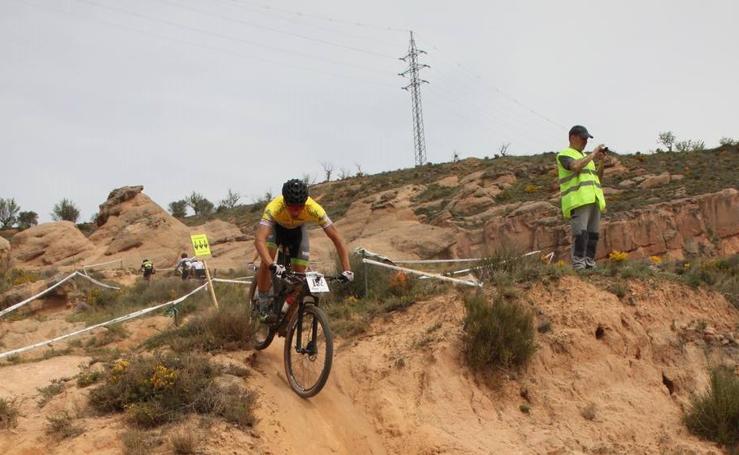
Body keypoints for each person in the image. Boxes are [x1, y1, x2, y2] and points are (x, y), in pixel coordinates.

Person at [254, 178, 354, 320]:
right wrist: (271, 265)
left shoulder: (314, 208)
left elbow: (337, 238)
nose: (295, 211)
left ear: (305, 202)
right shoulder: (274, 207)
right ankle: (263, 302)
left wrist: (347, 269)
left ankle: (285, 310)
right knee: (266, 260)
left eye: (299, 207)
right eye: (292, 207)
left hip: (297, 232)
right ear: (285, 202)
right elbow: (259, 240)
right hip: (276, 229)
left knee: (300, 278)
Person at [556, 125, 607, 270]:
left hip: (594, 199)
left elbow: (598, 179)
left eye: (586, 139)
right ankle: (579, 265)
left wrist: (601, 161)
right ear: (572, 137)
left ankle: (590, 264)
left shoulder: (587, 158)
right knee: (580, 234)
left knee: (593, 235)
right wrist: (593, 154)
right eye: (583, 138)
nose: (585, 141)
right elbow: (575, 167)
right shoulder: (564, 154)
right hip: (578, 200)